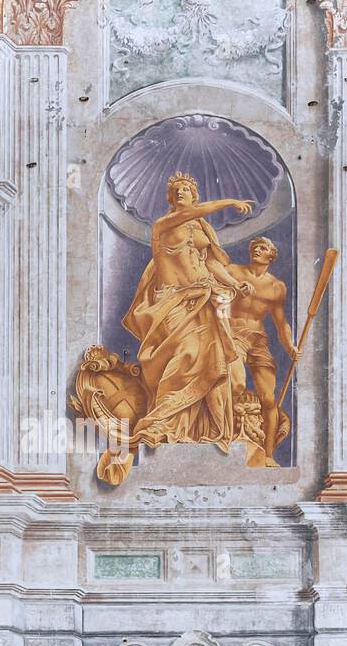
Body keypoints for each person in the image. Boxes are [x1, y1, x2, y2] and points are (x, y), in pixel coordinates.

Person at [119, 171, 255, 454]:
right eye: (176, 190)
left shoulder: (203, 228)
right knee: (187, 354)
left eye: (186, 189)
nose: (180, 192)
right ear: (171, 198)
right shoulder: (163, 224)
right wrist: (230, 201)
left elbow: (210, 263)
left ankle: (202, 428)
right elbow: (197, 213)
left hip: (205, 296)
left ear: (195, 195)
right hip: (172, 300)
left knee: (214, 361)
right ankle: (162, 422)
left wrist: (234, 284)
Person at [226, 236, 297, 466]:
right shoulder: (234, 271)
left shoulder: (277, 287)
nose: (257, 249)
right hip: (233, 335)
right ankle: (225, 439)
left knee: (268, 399)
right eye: (255, 246)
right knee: (236, 384)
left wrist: (290, 347)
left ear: (272, 255)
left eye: (263, 247)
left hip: (258, 340)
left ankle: (267, 456)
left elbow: (280, 322)